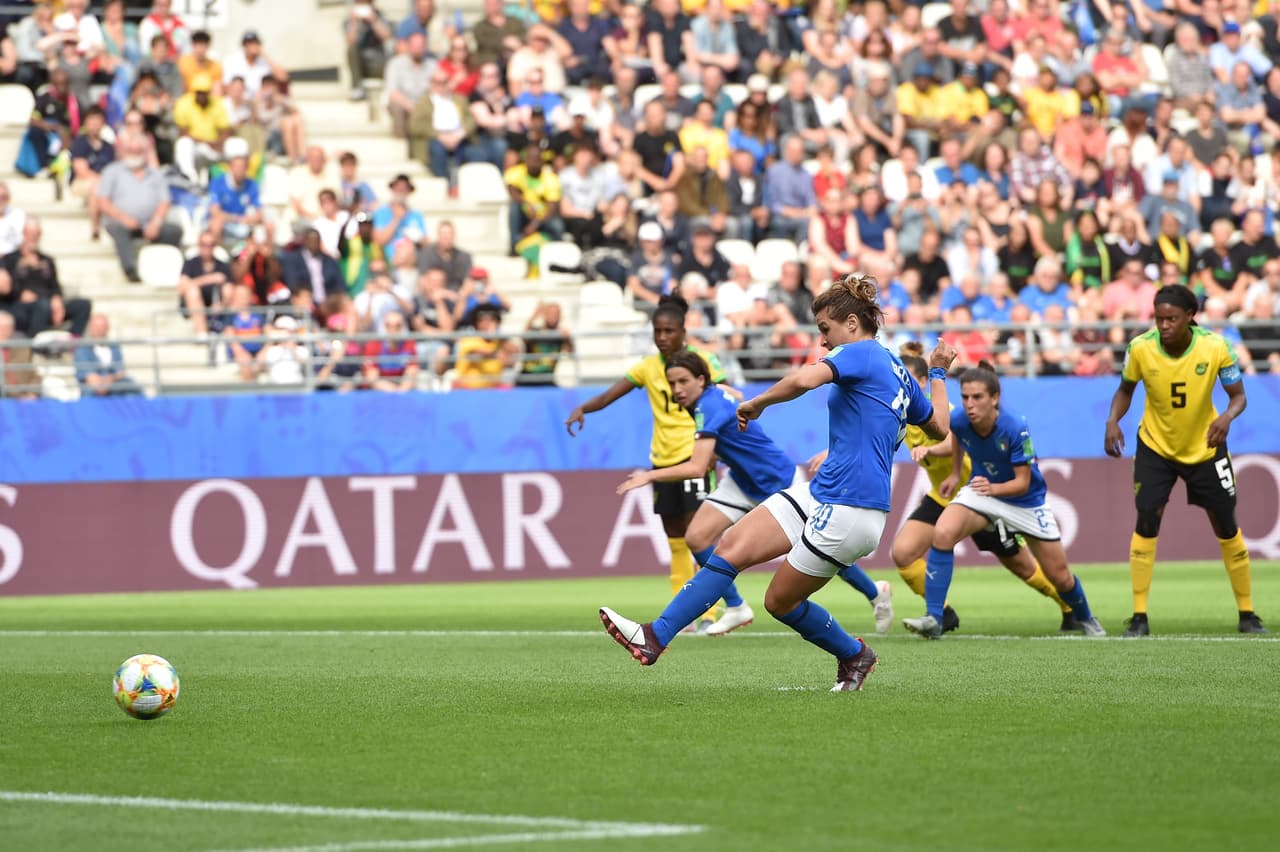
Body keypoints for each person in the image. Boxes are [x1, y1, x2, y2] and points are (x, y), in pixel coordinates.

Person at [601, 276, 956, 691]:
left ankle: (854, 654)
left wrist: (757, 402)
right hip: (824, 492)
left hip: (852, 508)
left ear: (854, 324)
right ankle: (654, 637)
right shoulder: (898, 371)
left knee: (779, 602)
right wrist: (936, 373)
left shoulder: (861, 354)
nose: (823, 342)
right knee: (730, 546)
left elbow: (804, 380)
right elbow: (939, 427)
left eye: (826, 330)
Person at [818, 342, 1077, 635]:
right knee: (903, 553)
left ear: (925, 383)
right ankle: (942, 612)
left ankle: (1068, 605)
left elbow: (956, 440)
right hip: (943, 497)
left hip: (979, 496)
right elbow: (865, 438)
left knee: (1023, 568)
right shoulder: (896, 413)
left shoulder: (947, 410)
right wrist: (829, 453)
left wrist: (931, 451)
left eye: (910, 382)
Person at [1104, 285, 1267, 636]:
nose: (1163, 325)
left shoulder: (1215, 346)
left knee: (1225, 524)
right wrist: (1112, 420)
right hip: (1155, 447)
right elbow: (1125, 390)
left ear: (1190, 316)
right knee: (1147, 518)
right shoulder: (1141, 348)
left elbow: (1238, 396)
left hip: (1205, 447)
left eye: (1171, 319)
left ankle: (1247, 613)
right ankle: (1139, 616)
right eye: (1159, 318)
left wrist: (1226, 418)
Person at [903, 363, 1106, 639]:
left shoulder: (1015, 427)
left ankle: (1085, 617)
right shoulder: (961, 420)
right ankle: (934, 618)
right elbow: (957, 442)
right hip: (983, 492)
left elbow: (1023, 482)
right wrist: (953, 474)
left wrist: (993, 488)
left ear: (995, 398)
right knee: (943, 532)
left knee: (1059, 576)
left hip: (1024, 501)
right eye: (965, 397)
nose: (970, 404)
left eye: (977, 397)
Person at [567, 297, 731, 631]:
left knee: (699, 536)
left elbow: (726, 396)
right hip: (663, 460)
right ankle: (684, 614)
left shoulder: (706, 361)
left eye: (669, 330)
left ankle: (710, 613)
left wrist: (717, 448)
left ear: (684, 331)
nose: (662, 337)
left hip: (694, 456)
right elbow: (610, 395)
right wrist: (584, 407)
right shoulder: (647, 367)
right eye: (657, 330)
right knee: (676, 539)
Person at [616, 349, 805, 636]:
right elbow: (736, 395)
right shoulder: (711, 395)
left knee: (815, 546)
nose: (677, 389)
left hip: (776, 479)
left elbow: (696, 467)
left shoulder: (708, 406)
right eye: (672, 383)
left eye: (683, 381)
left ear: (701, 379)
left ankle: (874, 592)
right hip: (742, 479)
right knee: (697, 536)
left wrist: (649, 475)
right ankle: (737, 606)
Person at [74, 314, 141, 397]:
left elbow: (121, 373)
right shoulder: (83, 349)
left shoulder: (114, 347)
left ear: (107, 328)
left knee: (131, 385)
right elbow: (90, 378)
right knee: (90, 391)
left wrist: (108, 381)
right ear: (90, 328)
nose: (99, 330)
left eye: (102, 327)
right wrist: (106, 382)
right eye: (96, 327)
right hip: (93, 391)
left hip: (113, 387)